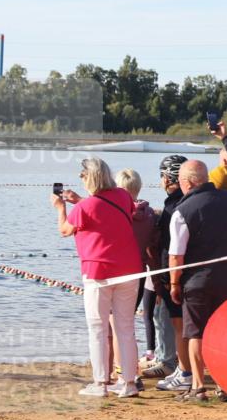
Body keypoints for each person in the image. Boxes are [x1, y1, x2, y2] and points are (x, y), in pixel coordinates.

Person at [52, 157, 142, 398]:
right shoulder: (123, 196)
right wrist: (80, 201)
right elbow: (108, 212)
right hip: (130, 268)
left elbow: (64, 230)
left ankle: (100, 383)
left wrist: (61, 208)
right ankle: (129, 383)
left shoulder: (84, 207)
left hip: (99, 271)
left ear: (88, 178)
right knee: (126, 327)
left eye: (82, 177)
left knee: (98, 328)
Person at [168, 160, 227, 402]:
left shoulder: (182, 211)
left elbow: (176, 254)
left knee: (196, 332)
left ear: (187, 182)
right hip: (225, 278)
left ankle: (198, 386)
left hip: (195, 281)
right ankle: (222, 385)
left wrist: (174, 284)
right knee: (221, 331)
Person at [146, 156, 193, 391]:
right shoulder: (189, 201)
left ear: (167, 177)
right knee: (190, 326)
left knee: (179, 325)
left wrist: (166, 280)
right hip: (193, 272)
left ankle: (184, 371)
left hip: (175, 273)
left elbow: (170, 246)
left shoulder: (174, 206)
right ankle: (184, 368)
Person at [116, 168, 156, 377]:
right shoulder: (149, 214)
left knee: (117, 324)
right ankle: (131, 367)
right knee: (128, 322)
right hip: (141, 272)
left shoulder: (118, 214)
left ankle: (123, 369)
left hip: (120, 273)